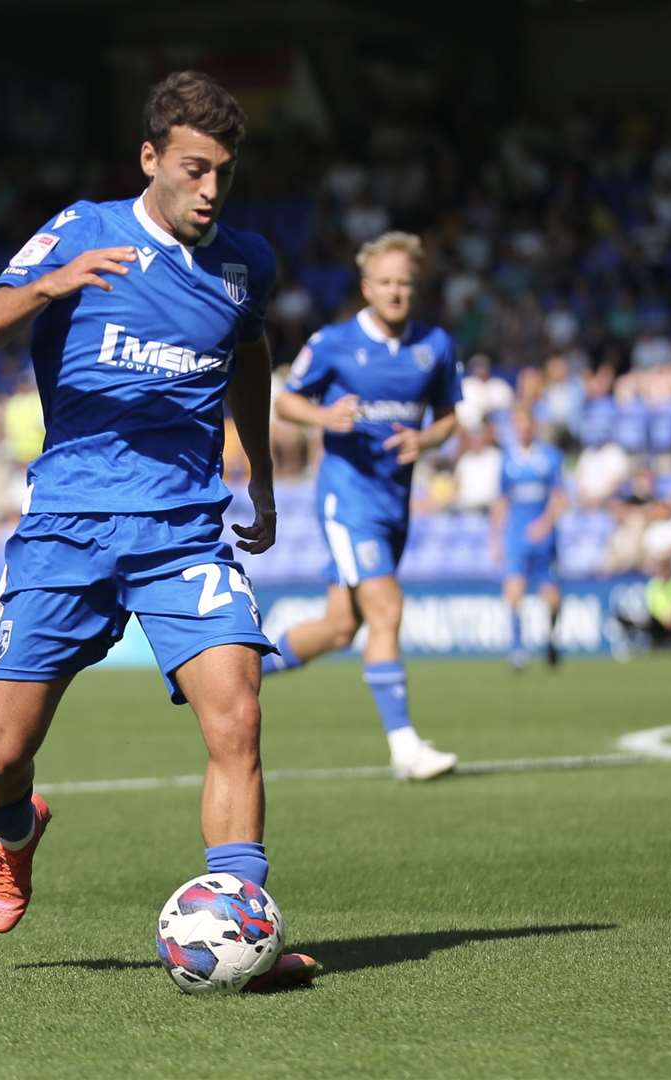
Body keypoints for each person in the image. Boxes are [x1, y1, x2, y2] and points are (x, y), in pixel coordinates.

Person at [0, 71, 313, 990]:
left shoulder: (246, 265)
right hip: (68, 525)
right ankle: (16, 829)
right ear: (150, 158)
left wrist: (262, 475)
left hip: (183, 531)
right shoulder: (83, 230)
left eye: (224, 175)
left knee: (237, 718)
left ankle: (245, 923)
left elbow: (250, 356)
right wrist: (56, 283)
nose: (209, 190)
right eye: (194, 169)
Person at [259, 231, 461, 781]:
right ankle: (405, 748)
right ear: (367, 286)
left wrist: (428, 440)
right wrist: (325, 419)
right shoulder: (333, 343)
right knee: (387, 610)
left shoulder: (435, 346)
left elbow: (448, 416)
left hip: (396, 504)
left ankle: (235, 670)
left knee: (339, 627)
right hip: (348, 500)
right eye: (387, 282)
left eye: (406, 284)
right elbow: (288, 400)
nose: (397, 292)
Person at [490, 406, 566, 670]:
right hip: (516, 535)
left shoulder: (550, 457)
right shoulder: (507, 460)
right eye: (517, 424)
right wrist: (497, 539)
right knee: (513, 590)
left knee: (551, 596)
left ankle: (552, 638)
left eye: (526, 424)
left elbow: (559, 497)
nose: (522, 429)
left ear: (533, 426)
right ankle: (517, 649)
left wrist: (545, 524)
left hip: (543, 536)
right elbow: (501, 500)